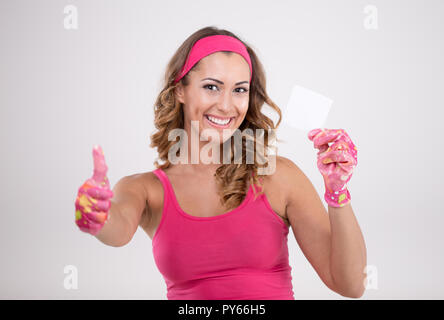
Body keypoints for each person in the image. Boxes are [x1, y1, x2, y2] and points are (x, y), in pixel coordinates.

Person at [74, 26, 367, 300]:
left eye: (239, 90)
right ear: (180, 90)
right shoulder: (146, 189)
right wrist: (97, 215)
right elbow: (117, 230)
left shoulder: (278, 176)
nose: (226, 105)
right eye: (212, 87)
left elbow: (350, 285)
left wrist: (337, 193)